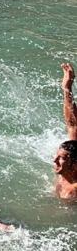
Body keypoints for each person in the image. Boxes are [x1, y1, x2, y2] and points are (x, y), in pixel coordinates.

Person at [56, 63, 77, 201]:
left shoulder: (74, 192)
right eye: (57, 156)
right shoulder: (62, 171)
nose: (55, 160)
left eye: (61, 158)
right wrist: (66, 88)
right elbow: (72, 124)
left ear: (74, 165)